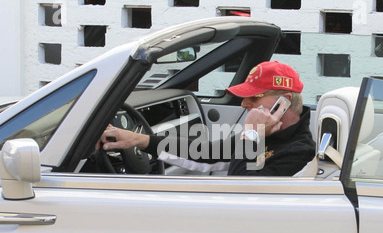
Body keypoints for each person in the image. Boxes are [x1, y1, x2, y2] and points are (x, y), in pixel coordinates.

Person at [98, 61, 316, 176]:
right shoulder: (268, 133)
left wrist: (251, 133)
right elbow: (205, 153)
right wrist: (139, 140)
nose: (244, 104)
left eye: (254, 97)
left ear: (284, 101)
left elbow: (242, 191)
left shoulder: (299, 151)